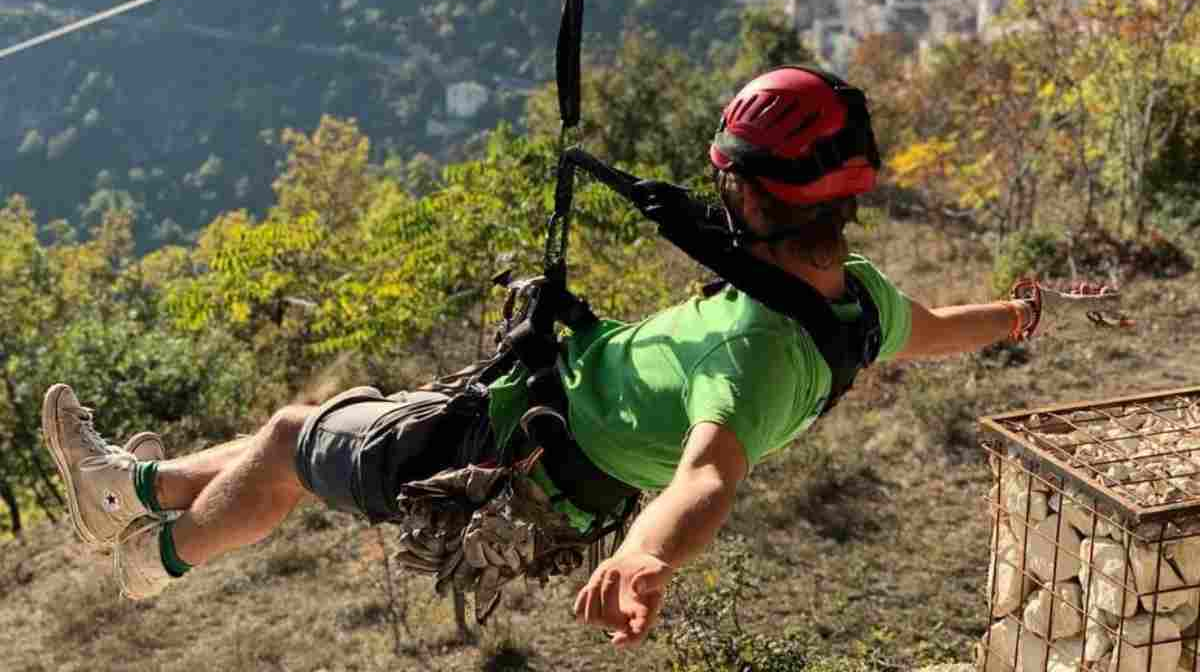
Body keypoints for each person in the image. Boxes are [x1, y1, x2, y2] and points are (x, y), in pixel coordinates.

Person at [41, 67, 1120, 649]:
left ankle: (153, 556)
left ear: (745, 193)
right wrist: (1015, 317)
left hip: (507, 465)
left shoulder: (754, 350)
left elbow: (707, 473)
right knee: (336, 410)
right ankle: (125, 485)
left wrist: (651, 557)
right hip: (529, 422)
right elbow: (932, 328)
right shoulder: (857, 301)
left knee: (289, 440)